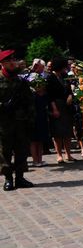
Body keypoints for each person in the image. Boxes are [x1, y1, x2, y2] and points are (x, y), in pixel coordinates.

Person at [0, 50, 35, 190]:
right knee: (5, 151)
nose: (13, 62)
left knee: (21, 150)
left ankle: (20, 177)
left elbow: (30, 101)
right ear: (2, 63)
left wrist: (31, 120)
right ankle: (8, 179)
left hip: (21, 120)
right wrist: (2, 106)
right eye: (9, 60)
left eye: (13, 59)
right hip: (3, 122)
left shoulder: (20, 80)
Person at [46, 57, 75, 163]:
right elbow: (50, 96)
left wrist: (70, 96)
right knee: (57, 132)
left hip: (66, 106)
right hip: (56, 105)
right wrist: (54, 109)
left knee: (67, 131)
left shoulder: (64, 76)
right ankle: (59, 155)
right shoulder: (50, 78)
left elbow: (68, 89)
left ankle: (68, 154)